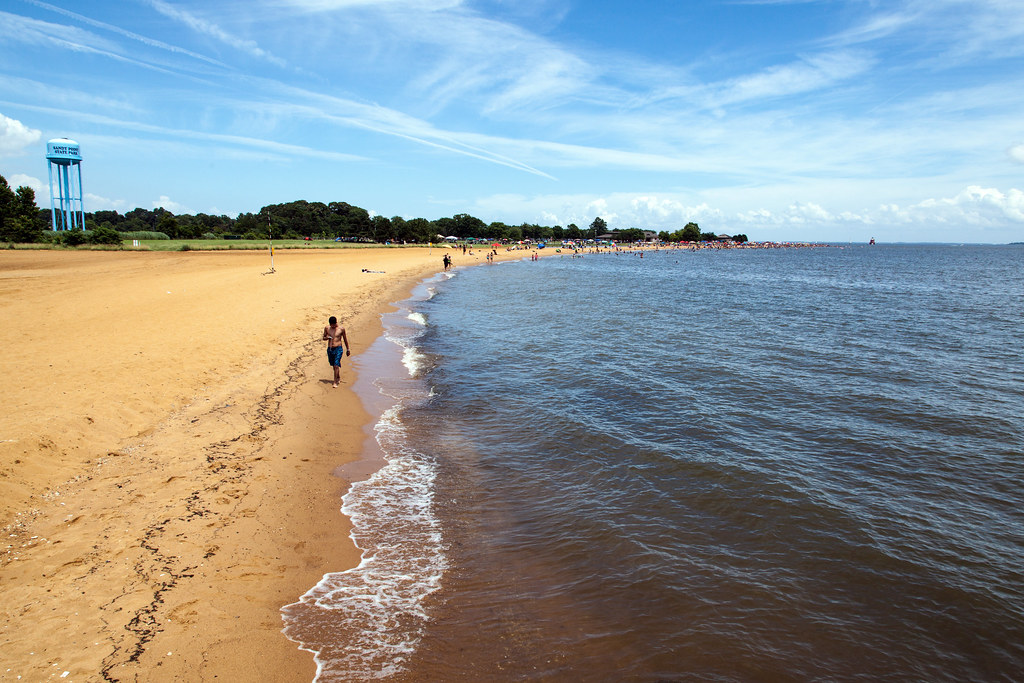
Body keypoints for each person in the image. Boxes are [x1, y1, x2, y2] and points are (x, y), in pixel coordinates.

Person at [322, 315, 350, 388]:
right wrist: (327, 337)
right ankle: (338, 377)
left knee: (336, 365)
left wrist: (348, 349)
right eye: (332, 325)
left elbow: (345, 339)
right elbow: (323, 337)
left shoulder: (341, 329)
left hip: (338, 348)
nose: (333, 326)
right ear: (330, 324)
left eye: (334, 325)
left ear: (336, 323)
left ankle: (335, 382)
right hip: (330, 349)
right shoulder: (327, 328)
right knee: (333, 365)